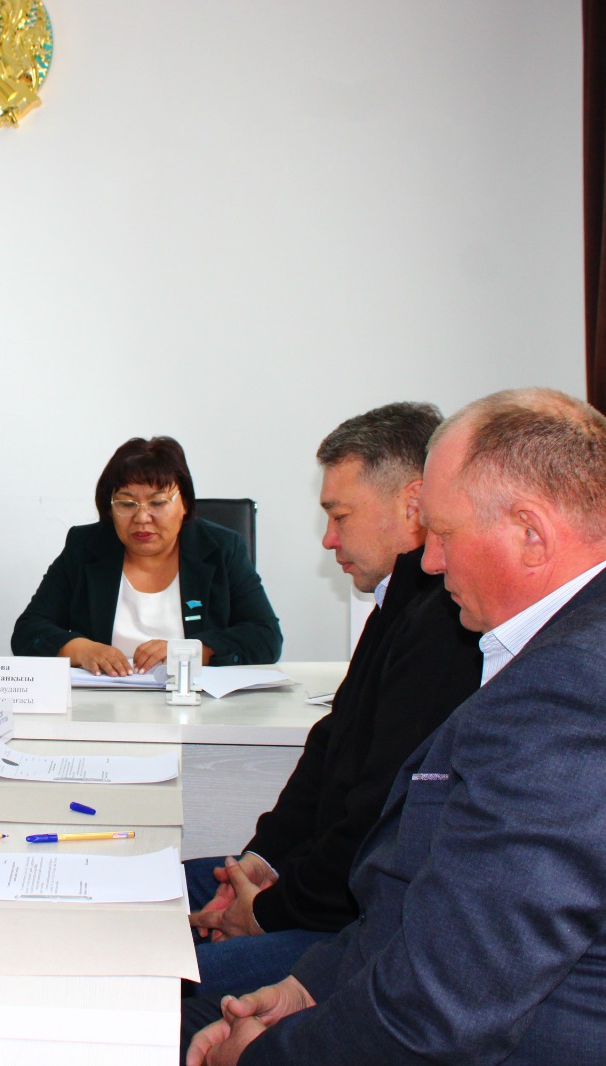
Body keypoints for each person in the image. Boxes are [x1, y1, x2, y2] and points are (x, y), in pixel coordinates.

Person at [187, 389, 606, 1065]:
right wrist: (308, 987)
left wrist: (264, 1055)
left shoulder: (576, 692)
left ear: (530, 533)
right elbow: (437, 901)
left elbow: (441, 1007)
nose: (431, 561)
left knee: (158, 1019)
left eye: (444, 534)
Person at [182, 403, 480, 1020]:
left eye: (339, 516)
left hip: (354, 919)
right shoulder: (397, 603)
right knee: (162, 889)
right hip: (316, 885)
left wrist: (265, 910)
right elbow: (328, 748)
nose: (328, 539)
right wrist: (258, 862)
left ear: (413, 504)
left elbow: (372, 820)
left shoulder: (445, 626)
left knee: (168, 985)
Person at [11, 436, 281, 674]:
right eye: (126, 503)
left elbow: (266, 638)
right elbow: (28, 631)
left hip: (196, 702)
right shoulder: (85, 548)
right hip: (104, 702)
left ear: (186, 504)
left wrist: (192, 652)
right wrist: (82, 650)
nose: (141, 517)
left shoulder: (222, 549)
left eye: (158, 502)